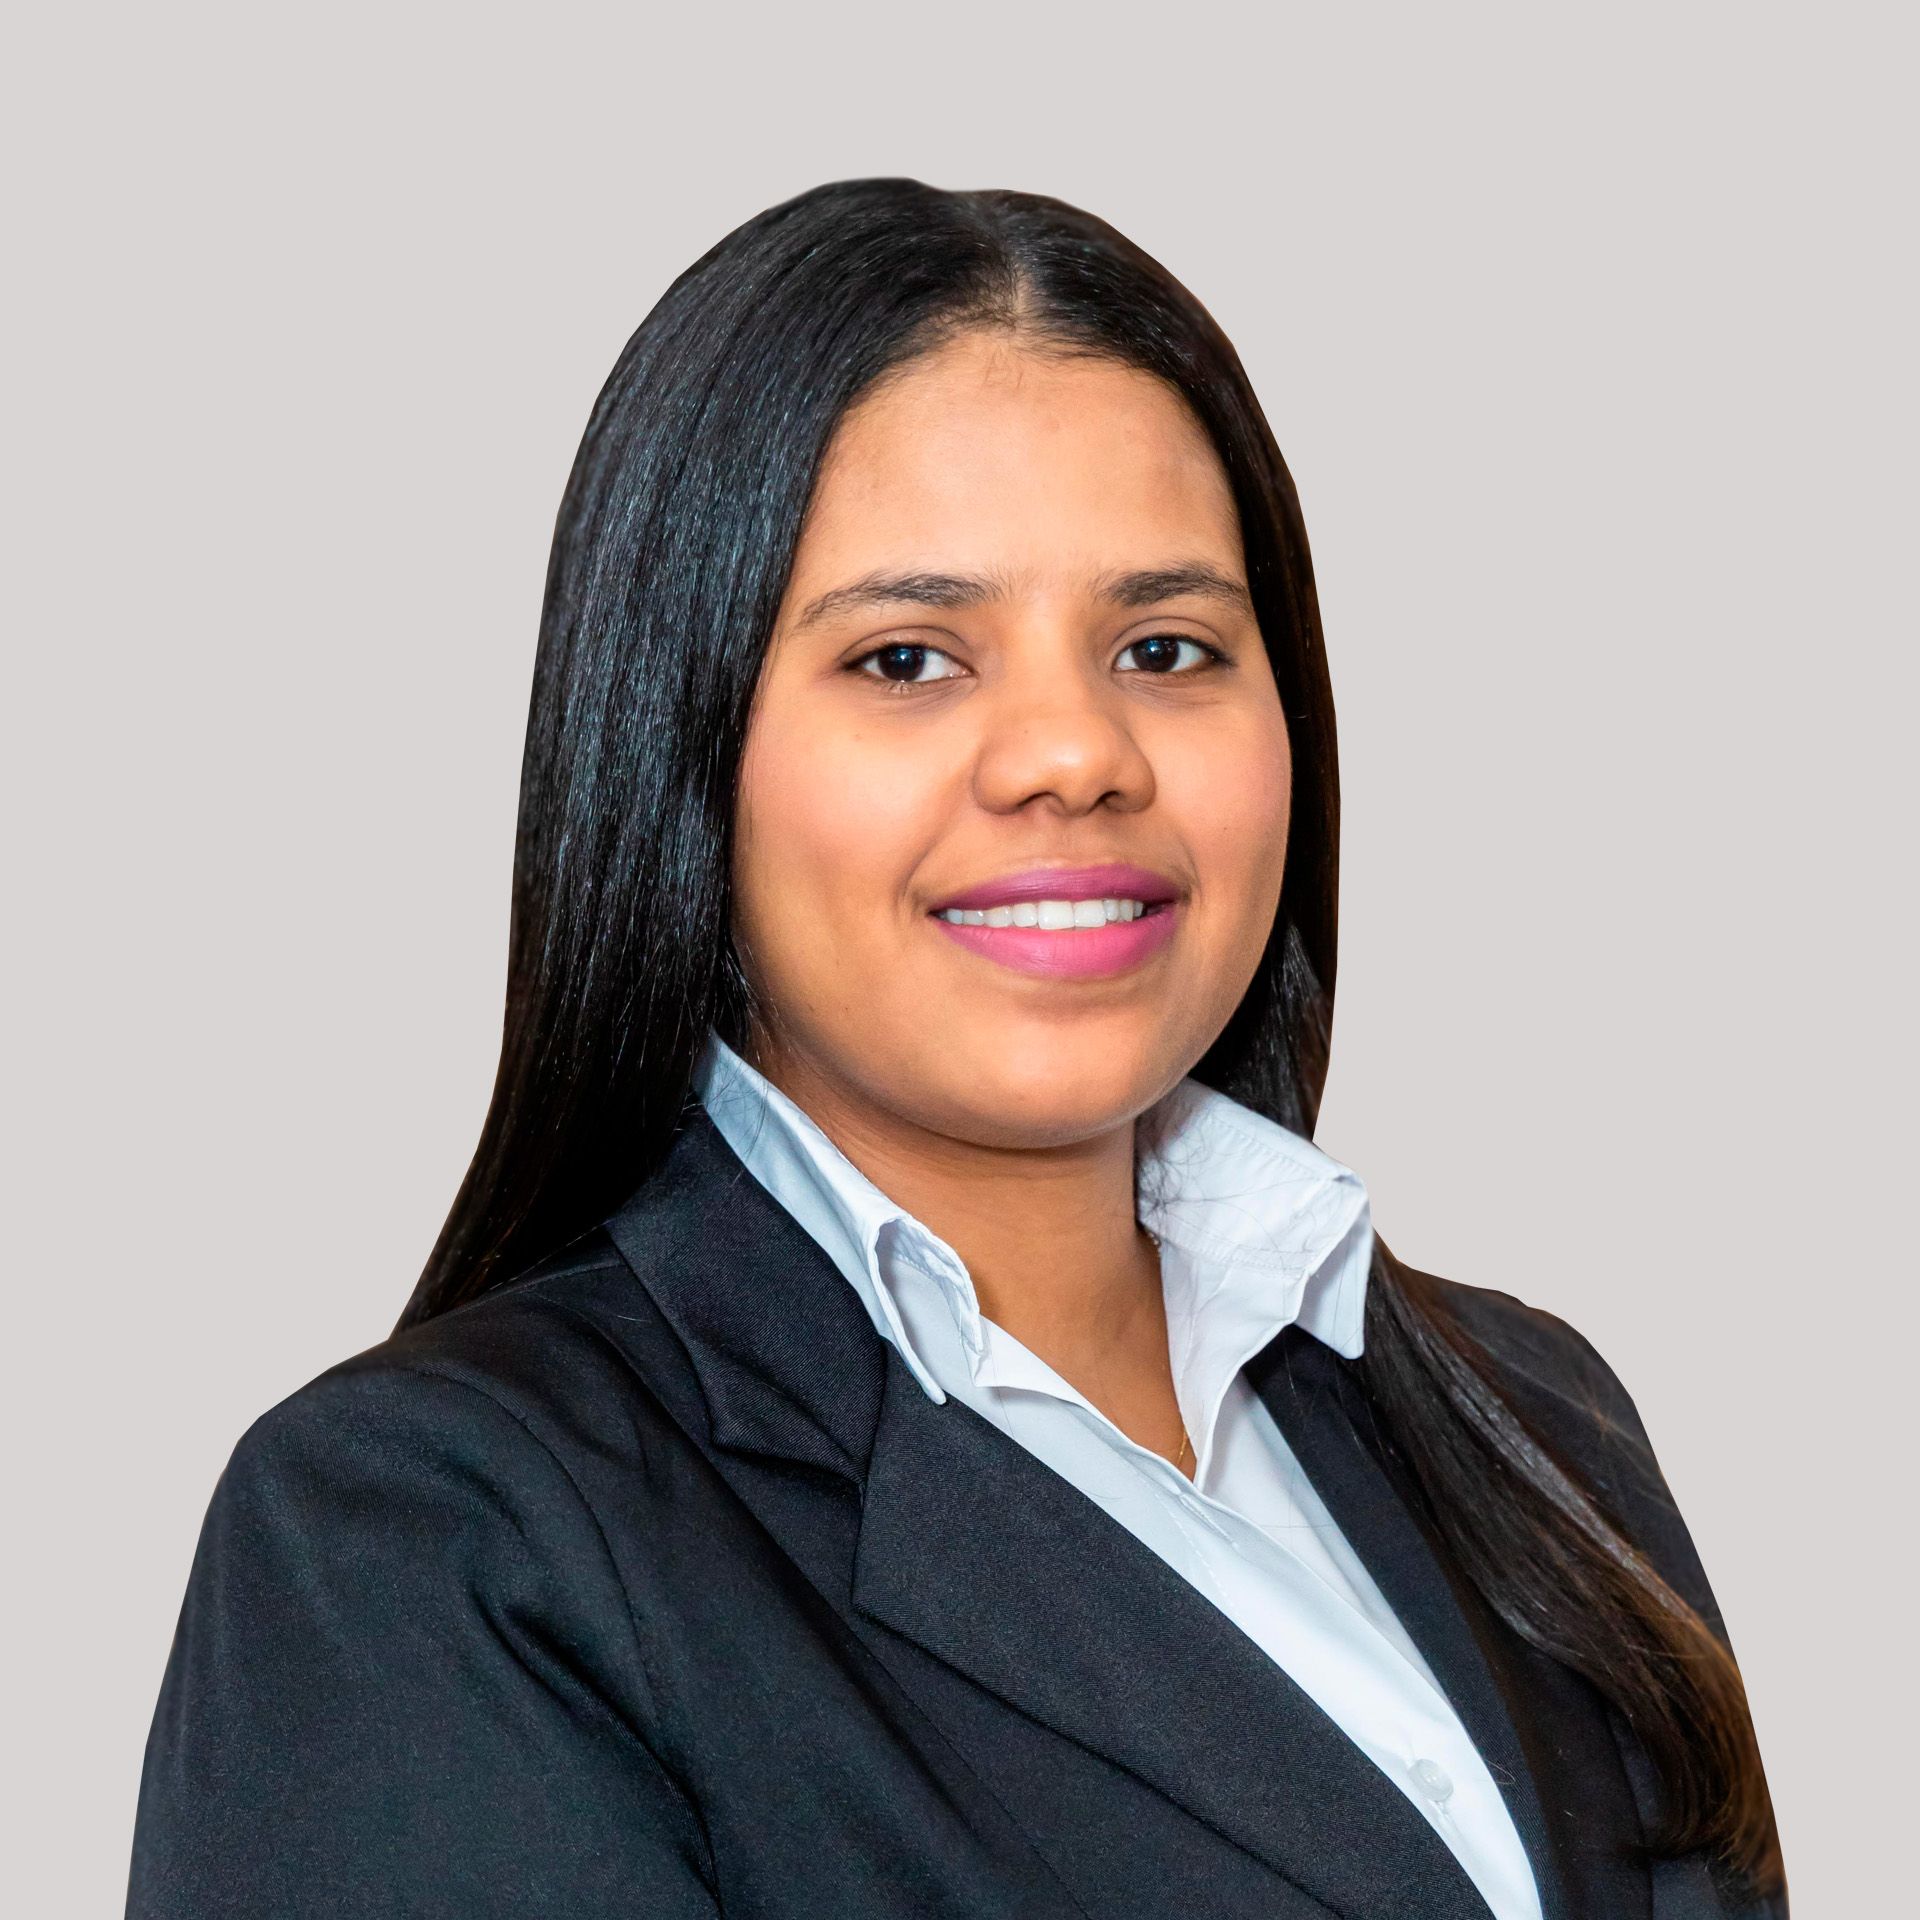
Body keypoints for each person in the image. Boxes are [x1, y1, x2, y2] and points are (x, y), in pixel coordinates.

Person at [124, 178, 1786, 1919]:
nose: (1073, 752)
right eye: (909, 658)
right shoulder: (434, 1540)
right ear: (681, 746)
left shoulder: (1534, 1427)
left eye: (1167, 647)